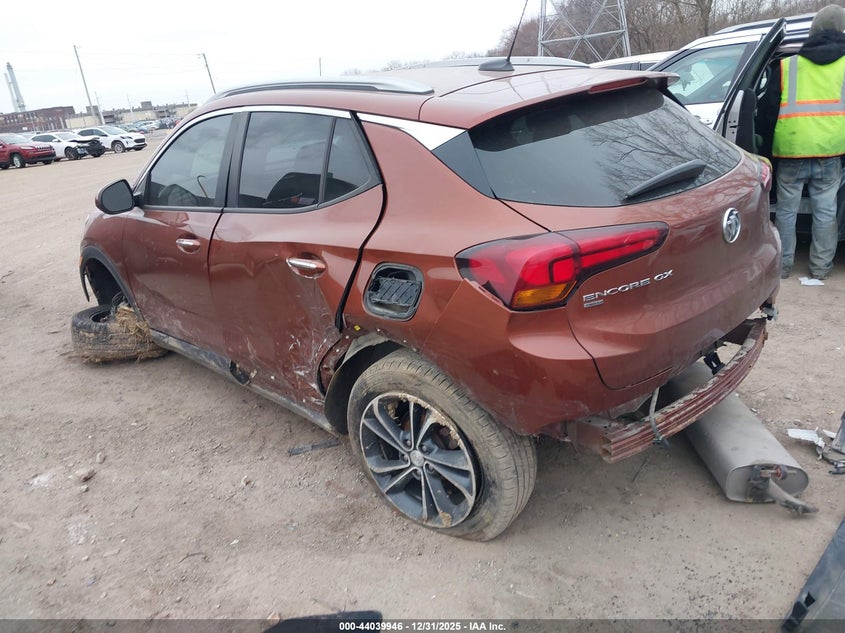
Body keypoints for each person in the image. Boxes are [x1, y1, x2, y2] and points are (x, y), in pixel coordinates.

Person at [756, 4, 845, 279]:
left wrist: (765, 147)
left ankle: (782, 268)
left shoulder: (786, 65)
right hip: (830, 151)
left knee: (785, 211)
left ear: (813, 30)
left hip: (791, 150)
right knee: (825, 212)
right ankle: (820, 270)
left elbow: (768, 112)